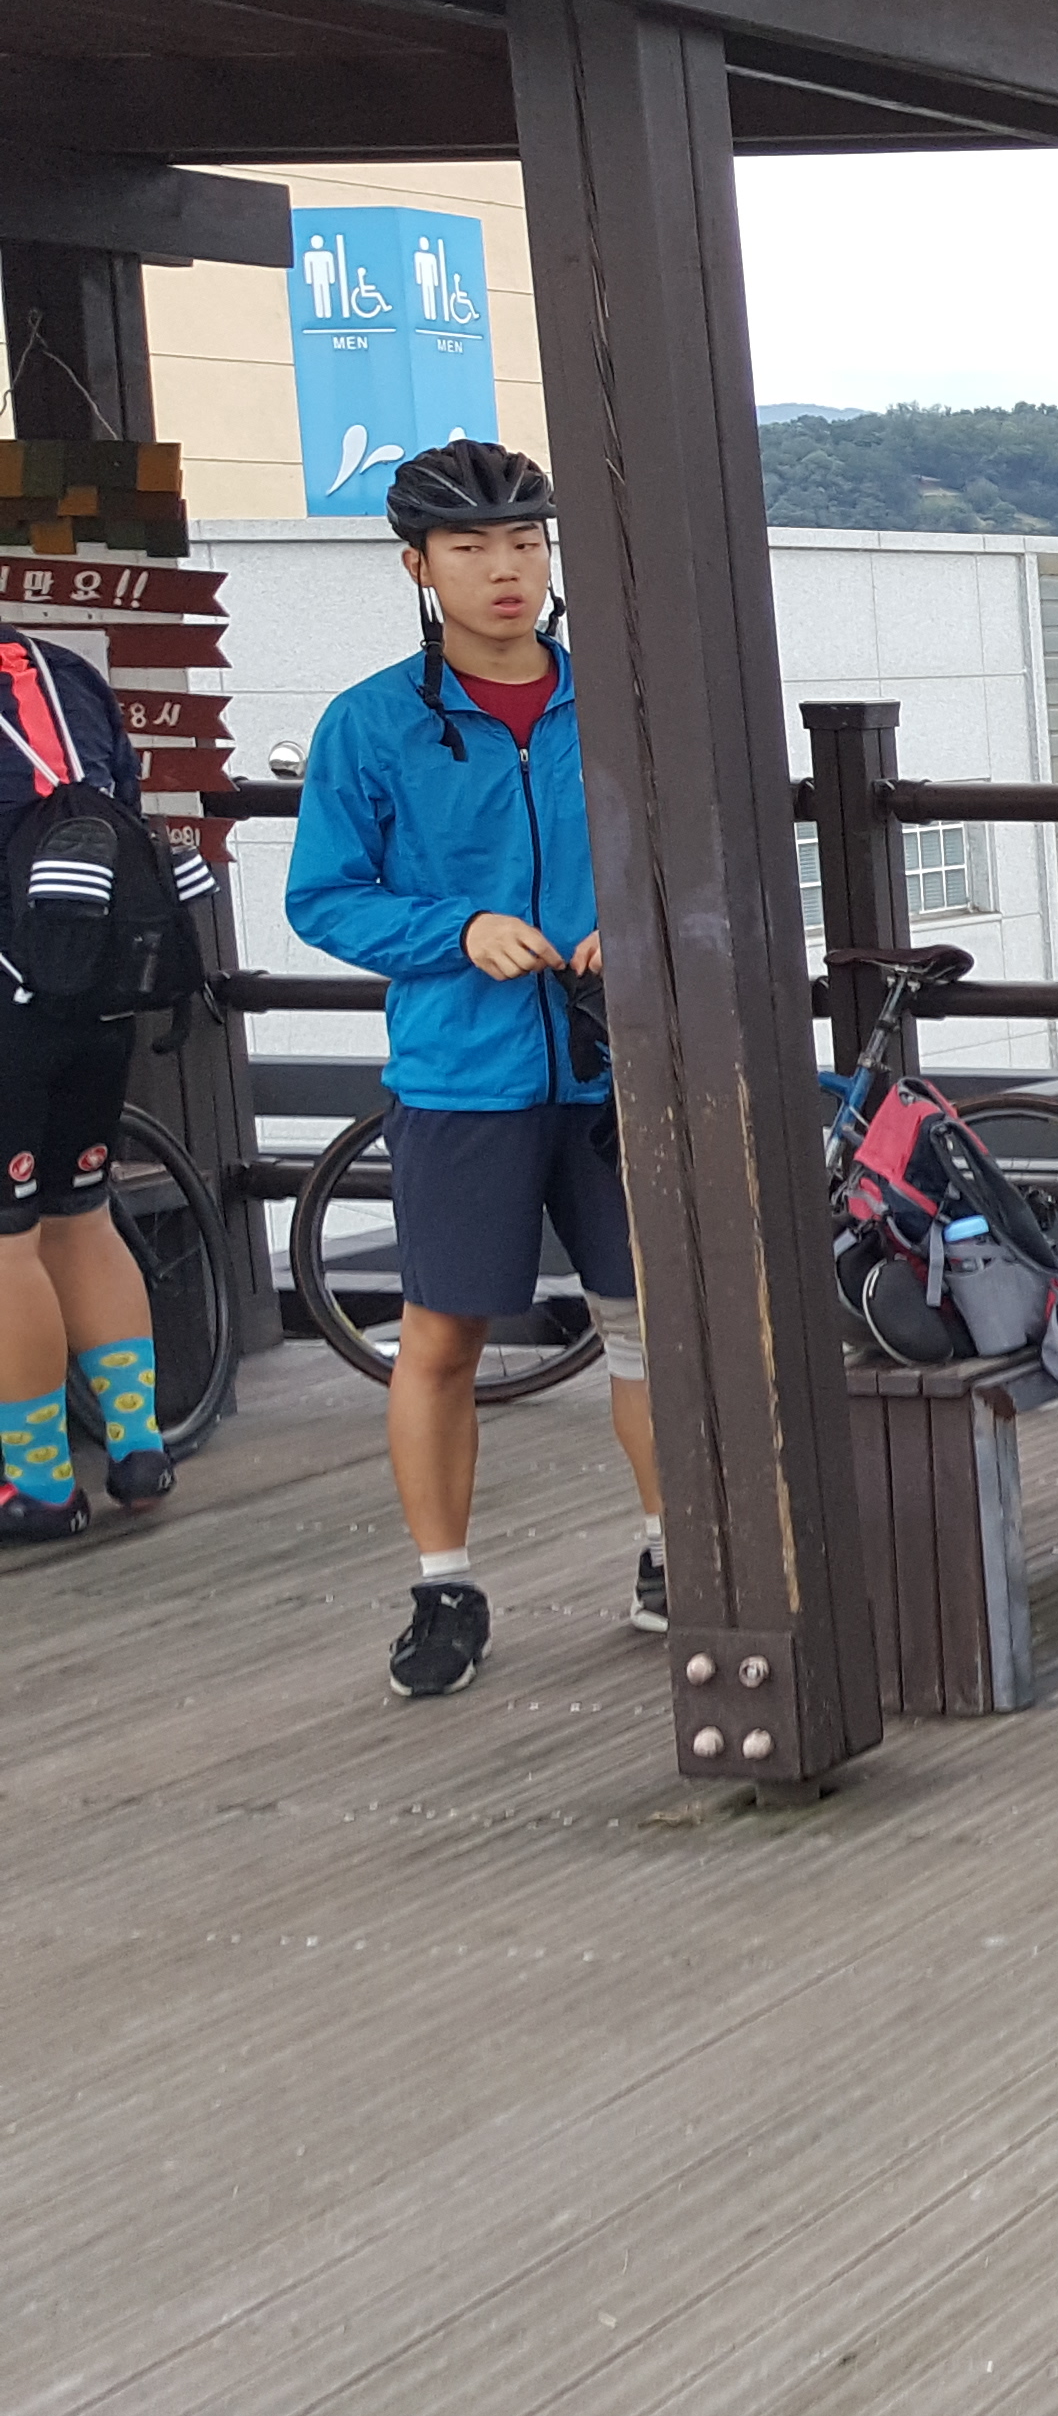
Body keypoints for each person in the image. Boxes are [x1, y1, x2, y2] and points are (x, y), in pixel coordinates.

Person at [284, 440, 667, 1698]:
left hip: (614, 1066)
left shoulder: (622, 700)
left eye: (524, 542)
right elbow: (324, 897)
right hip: (461, 1072)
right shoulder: (371, 722)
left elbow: (692, 847)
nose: (505, 569)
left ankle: (675, 1552)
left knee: (649, 1322)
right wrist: (455, 930)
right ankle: (443, 1585)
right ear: (419, 567)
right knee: (441, 1334)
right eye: (470, 547)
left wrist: (637, 924)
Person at [0, 616, 226, 1540]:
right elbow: (120, 804)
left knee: (6, 1246)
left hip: (9, 996)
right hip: (99, 991)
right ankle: (137, 1447)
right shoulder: (60, 671)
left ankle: (39, 1484)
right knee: (81, 1216)